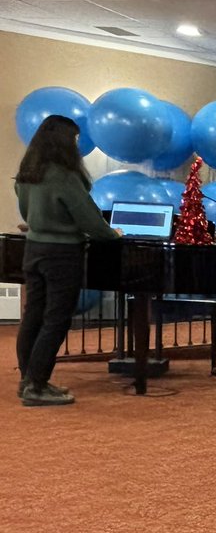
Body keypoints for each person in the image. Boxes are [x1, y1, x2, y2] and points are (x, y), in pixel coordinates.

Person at [14, 115, 121, 406]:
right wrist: (113, 234)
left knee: (33, 316)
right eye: (74, 139)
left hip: (33, 250)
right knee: (56, 319)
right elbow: (89, 219)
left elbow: (26, 213)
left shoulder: (28, 172)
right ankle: (37, 386)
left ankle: (28, 379)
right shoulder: (64, 175)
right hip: (61, 255)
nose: (77, 145)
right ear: (64, 141)